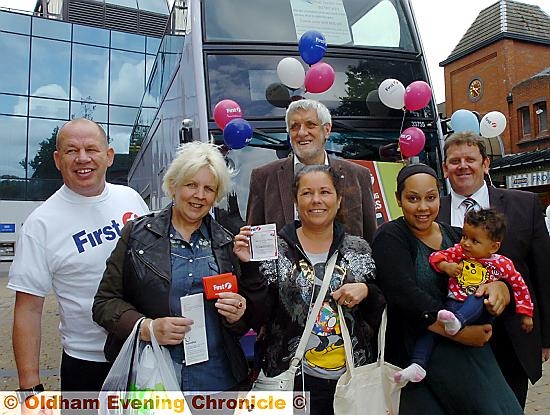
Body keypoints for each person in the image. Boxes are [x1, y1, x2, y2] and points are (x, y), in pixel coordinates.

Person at [93, 141, 266, 392]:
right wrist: (148, 327)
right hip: (154, 379)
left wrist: (239, 314)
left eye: (209, 188)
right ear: (173, 186)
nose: (199, 195)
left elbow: (244, 321)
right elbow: (104, 303)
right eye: (191, 185)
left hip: (217, 381)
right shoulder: (137, 235)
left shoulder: (226, 242)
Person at [8, 118, 149, 395]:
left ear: (108, 156)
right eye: (71, 151)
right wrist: (30, 388)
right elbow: (28, 309)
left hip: (145, 353)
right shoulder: (41, 224)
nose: (82, 158)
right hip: (87, 364)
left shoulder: (131, 199)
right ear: (58, 159)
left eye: (91, 149)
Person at [372, 163, 522, 414]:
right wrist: (459, 332)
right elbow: (403, 294)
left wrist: (500, 288)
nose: (423, 207)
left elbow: (495, 269)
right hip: (418, 356)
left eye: (430, 198)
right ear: (398, 199)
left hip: (469, 358)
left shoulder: (457, 237)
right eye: (412, 198)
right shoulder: (390, 236)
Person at [235, 164, 385, 415]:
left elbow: (379, 311)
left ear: (338, 200)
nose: (316, 200)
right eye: (307, 193)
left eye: (325, 192)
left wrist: (367, 292)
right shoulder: (275, 250)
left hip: (352, 381)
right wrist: (249, 268)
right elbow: (258, 318)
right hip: (291, 382)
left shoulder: (358, 249)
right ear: (295, 201)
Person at [438, 131, 550, 407]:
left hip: (510, 341)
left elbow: (544, 273)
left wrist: (546, 338)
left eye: (470, 159)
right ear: (444, 169)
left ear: (486, 164)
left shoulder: (524, 205)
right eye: (454, 161)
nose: (462, 166)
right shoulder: (431, 211)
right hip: (451, 339)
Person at [395, 208, 533, 384]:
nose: (466, 243)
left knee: (479, 294)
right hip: (452, 304)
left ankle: (458, 321)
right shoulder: (459, 252)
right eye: (464, 236)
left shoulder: (501, 263)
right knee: (430, 328)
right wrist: (446, 266)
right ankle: (418, 365)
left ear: (493, 246)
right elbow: (435, 257)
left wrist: (526, 314)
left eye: (474, 241)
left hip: (478, 312)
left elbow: (519, 286)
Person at [246, 99, 378, 243]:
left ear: (327, 130)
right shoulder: (263, 177)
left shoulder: (358, 175)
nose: (302, 133)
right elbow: (254, 244)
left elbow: (371, 239)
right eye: (295, 127)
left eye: (311, 125)